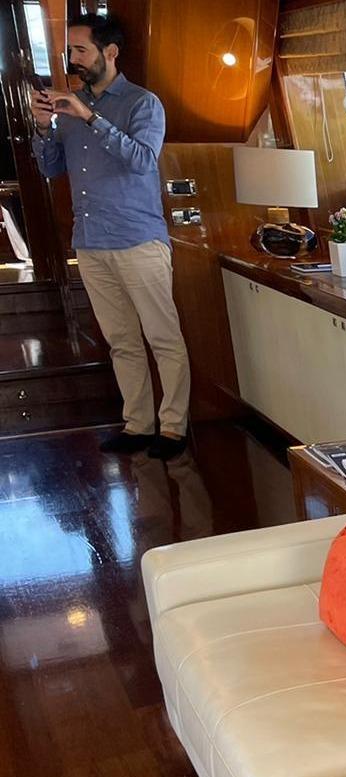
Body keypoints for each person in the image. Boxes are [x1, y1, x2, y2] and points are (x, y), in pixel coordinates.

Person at [31, 14, 191, 458]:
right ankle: (138, 425)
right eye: (70, 51)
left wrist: (90, 117)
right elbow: (50, 168)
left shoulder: (143, 104)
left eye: (81, 50)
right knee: (121, 341)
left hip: (139, 239)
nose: (73, 59)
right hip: (90, 242)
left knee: (163, 338)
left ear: (111, 52)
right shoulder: (69, 107)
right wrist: (43, 128)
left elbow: (141, 160)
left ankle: (174, 429)